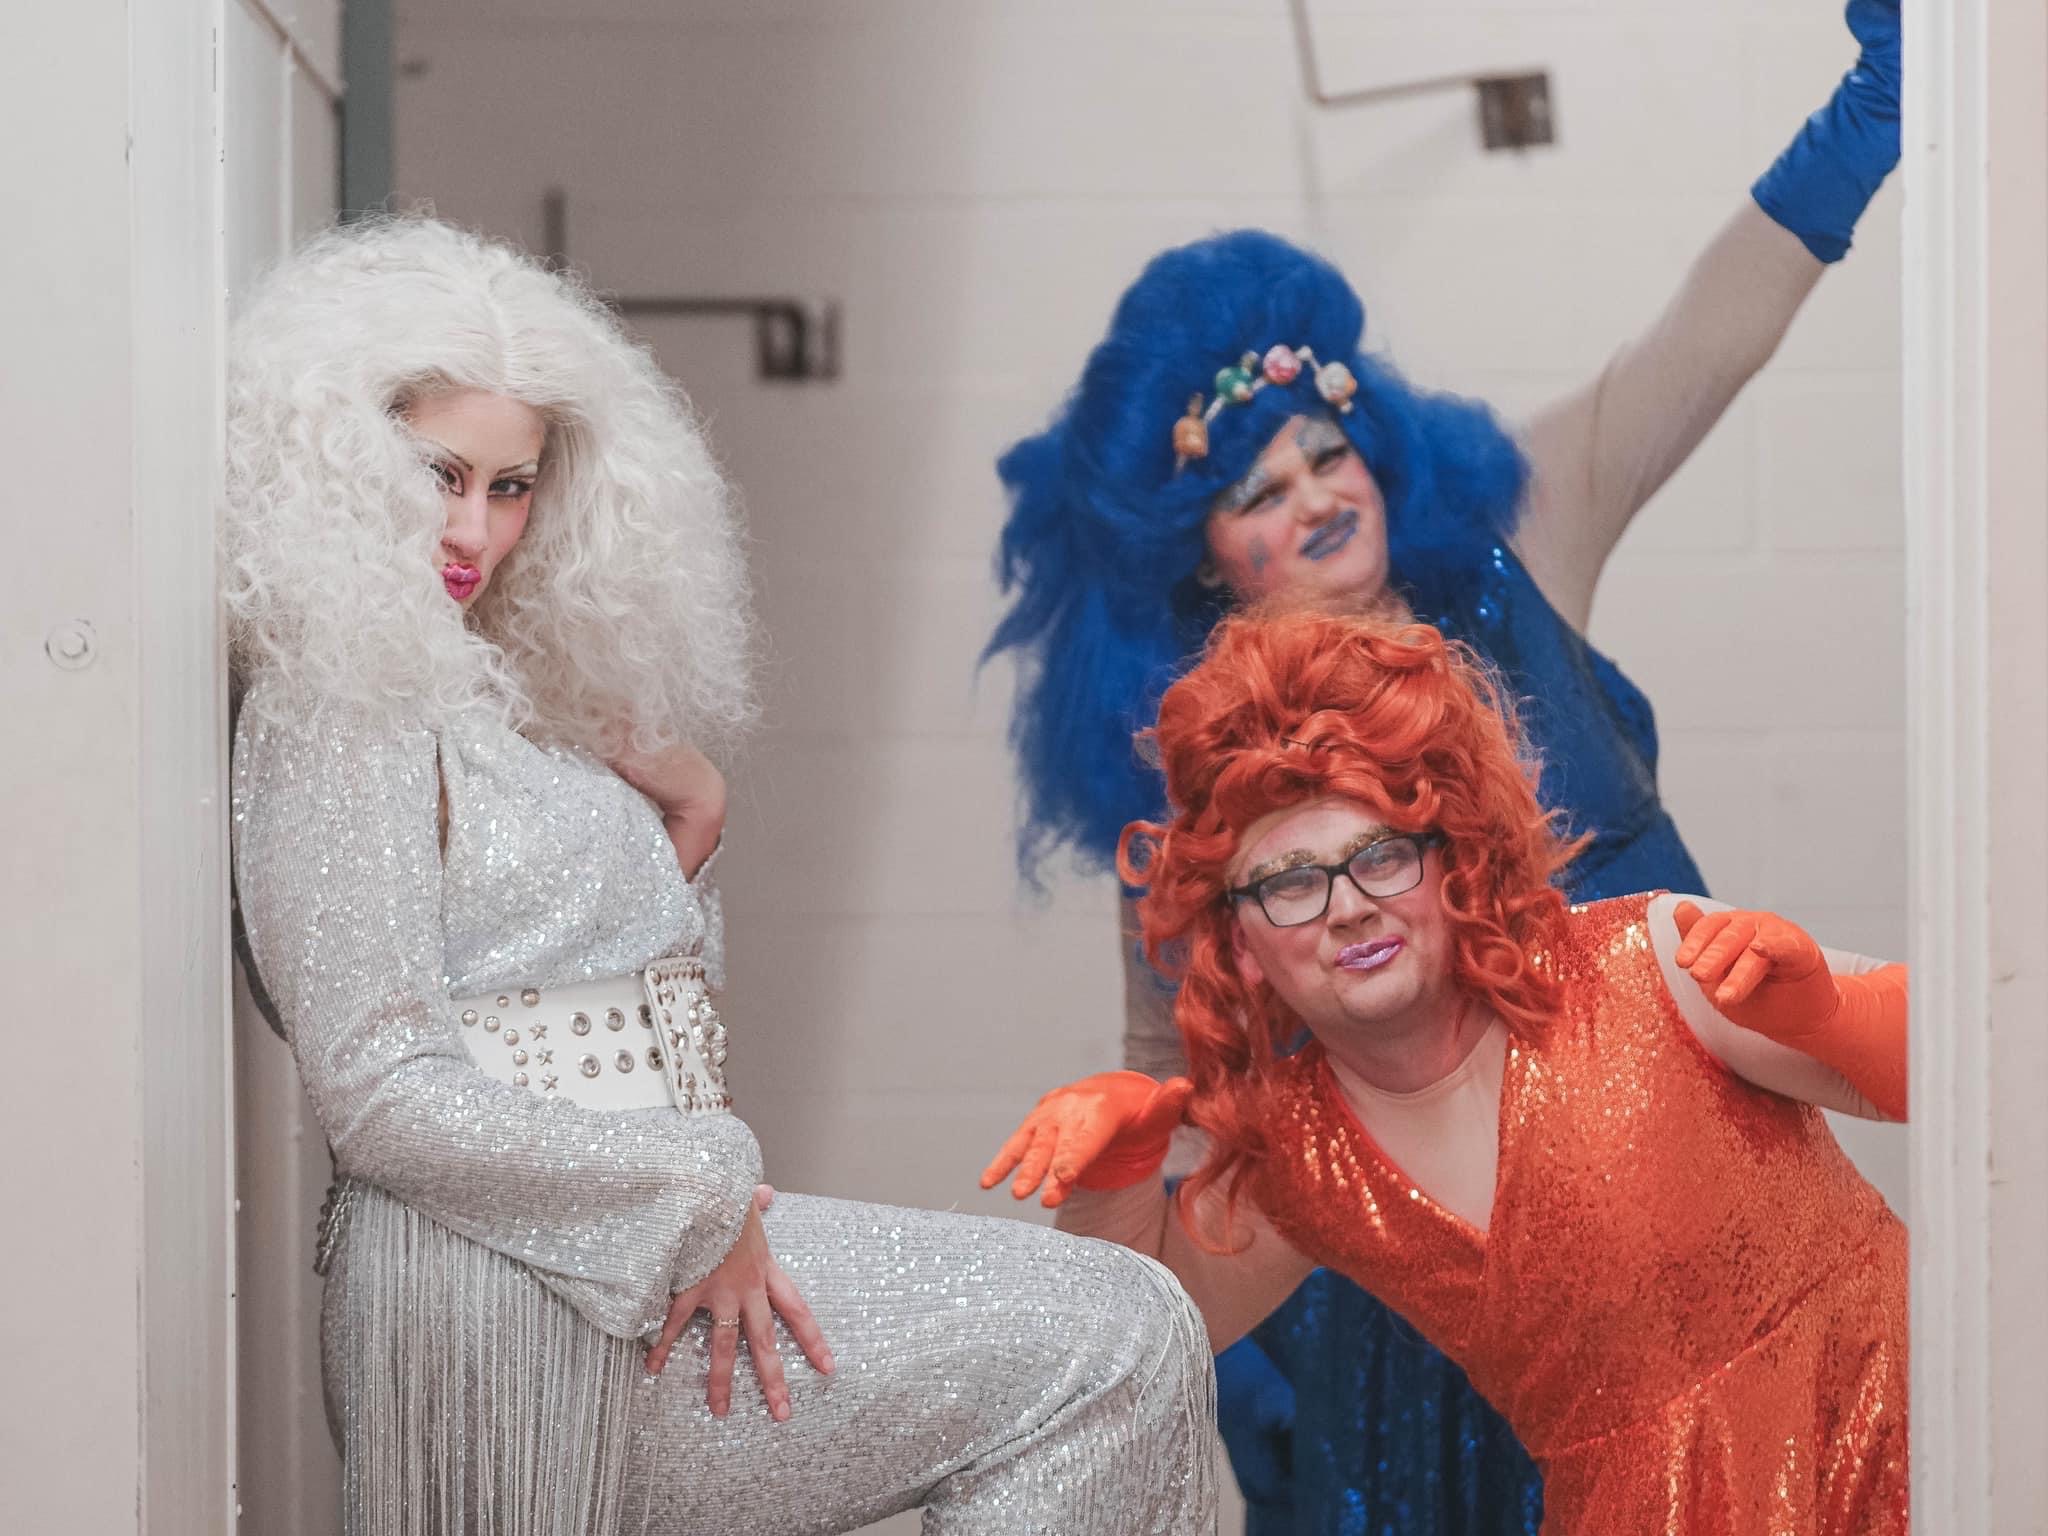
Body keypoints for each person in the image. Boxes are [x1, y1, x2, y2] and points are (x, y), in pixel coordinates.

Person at [983, 3, 1902, 1526]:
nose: (1315, 498)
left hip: (1668, 1185)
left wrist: (1873, 115)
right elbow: (1186, 1069)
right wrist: (1231, 1330)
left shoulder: (1512, 548)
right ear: (1197, 561)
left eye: (1327, 450)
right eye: (1258, 493)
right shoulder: (1193, 779)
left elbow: (1697, 347)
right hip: (1412, 1284)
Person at [224, 215, 1216, 1536]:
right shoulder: (341, 709)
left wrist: (691, 820)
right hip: (524, 1289)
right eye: (438, 473)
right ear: (344, 465)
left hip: (634, 1244)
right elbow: (379, 1090)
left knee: (1126, 1327)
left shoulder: (485, 696)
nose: (475, 525)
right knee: (1114, 1339)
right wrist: (696, 1193)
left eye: (511, 486)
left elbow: (635, 1011)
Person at [985, 607, 1908, 1536]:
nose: (1347, 909)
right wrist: (1119, 1167)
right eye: (1292, 883)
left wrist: (1835, 1017)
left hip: (1911, 1447)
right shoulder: (1305, 1157)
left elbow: (1970, 1070)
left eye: (1380, 856)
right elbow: (1143, 1345)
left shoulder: (1644, 960)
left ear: (1452, 861)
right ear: (1244, 942)